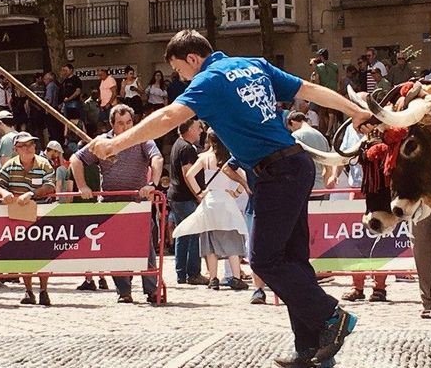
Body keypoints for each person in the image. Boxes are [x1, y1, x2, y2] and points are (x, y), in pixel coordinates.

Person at [86, 30, 371, 367]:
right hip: (296, 163)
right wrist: (354, 110)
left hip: (275, 172)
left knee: (264, 260)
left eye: (179, 70)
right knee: (293, 261)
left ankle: (331, 316)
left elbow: (165, 118)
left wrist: (115, 144)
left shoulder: (208, 81)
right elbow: (308, 90)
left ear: (193, 58)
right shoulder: (253, 64)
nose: (182, 78)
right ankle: (310, 349)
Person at [70, 104, 163, 302]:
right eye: (121, 124)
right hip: (111, 202)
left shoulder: (142, 138)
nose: (126, 127)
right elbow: (75, 159)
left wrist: (151, 183)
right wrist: (82, 186)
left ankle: (152, 290)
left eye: (129, 122)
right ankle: (124, 292)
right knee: (117, 249)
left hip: (137, 203)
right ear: (112, 124)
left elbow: (157, 158)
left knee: (145, 248)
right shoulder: (102, 142)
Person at [177, 129, 249, 291]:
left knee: (209, 240)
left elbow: (189, 175)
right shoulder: (229, 159)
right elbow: (243, 177)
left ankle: (213, 278)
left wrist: (198, 192)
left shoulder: (204, 158)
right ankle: (236, 278)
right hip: (226, 200)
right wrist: (236, 193)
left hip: (209, 201)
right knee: (232, 239)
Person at [0, 132, 56, 306]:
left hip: (41, 214)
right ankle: (28, 291)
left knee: (44, 254)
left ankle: (44, 290)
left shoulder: (44, 164)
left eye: (31, 144)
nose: (29, 148)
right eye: (24, 145)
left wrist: (32, 194)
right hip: (19, 216)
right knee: (23, 254)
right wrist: (5, 193)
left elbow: (50, 184)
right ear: (16, 149)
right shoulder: (10, 166)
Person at [167, 118, 209, 286]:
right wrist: (198, 194)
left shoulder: (179, 144)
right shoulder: (186, 148)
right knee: (193, 234)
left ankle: (181, 273)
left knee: (182, 235)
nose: (200, 131)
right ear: (190, 129)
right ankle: (193, 273)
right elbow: (187, 173)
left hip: (177, 196)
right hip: (185, 198)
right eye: (198, 128)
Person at [287, 112, 331, 199]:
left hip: (301, 189)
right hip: (319, 190)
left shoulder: (295, 136)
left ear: (293, 122)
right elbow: (328, 169)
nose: (291, 131)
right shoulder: (322, 137)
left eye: (291, 128)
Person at [310, 49, 341, 137]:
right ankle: (330, 130)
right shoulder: (335, 66)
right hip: (333, 92)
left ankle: (326, 131)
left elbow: (317, 80)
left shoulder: (318, 67)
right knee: (332, 113)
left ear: (321, 56)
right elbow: (338, 79)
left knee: (323, 114)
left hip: (324, 92)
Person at [44, 72, 63, 143]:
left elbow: (49, 99)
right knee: (56, 128)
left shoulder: (50, 86)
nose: (44, 81)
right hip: (56, 109)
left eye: (45, 79)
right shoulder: (56, 85)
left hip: (51, 109)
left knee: (52, 129)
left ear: (50, 79)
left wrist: (46, 108)